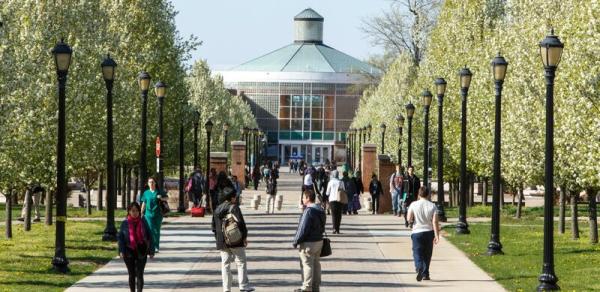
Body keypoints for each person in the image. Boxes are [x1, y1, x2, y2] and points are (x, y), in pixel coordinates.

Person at [212, 187, 255, 292]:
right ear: (231, 197)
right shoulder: (234, 208)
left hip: (222, 241)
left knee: (225, 264)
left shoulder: (217, 209)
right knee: (240, 262)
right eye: (234, 196)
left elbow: (213, 227)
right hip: (236, 240)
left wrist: (219, 239)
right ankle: (243, 286)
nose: (236, 198)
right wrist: (244, 237)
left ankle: (226, 288)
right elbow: (241, 223)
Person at [293, 190, 326, 292]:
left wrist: (296, 241)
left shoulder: (308, 211)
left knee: (307, 264)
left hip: (308, 243)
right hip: (319, 241)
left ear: (308, 198)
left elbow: (303, 228)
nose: (302, 199)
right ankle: (316, 287)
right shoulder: (320, 209)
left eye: (303, 197)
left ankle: (307, 286)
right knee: (316, 264)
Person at [118, 202, 154, 292]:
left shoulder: (143, 222)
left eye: (137, 211)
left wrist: (151, 251)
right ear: (129, 211)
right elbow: (121, 238)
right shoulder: (124, 223)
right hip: (128, 251)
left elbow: (150, 236)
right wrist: (121, 251)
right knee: (131, 274)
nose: (135, 213)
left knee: (140, 274)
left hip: (142, 251)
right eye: (133, 211)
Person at [407, 186, 440, 281]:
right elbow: (435, 222)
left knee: (417, 252)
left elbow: (409, 218)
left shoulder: (413, 204)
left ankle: (419, 267)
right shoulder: (432, 206)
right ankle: (425, 273)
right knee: (427, 254)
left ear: (418, 194)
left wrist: (411, 220)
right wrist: (437, 235)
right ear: (428, 194)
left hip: (417, 232)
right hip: (429, 232)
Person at [139, 177, 167, 253]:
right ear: (148, 184)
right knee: (150, 230)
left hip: (158, 214)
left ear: (155, 183)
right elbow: (144, 203)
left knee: (156, 230)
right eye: (149, 182)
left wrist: (161, 198)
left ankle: (156, 246)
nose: (151, 184)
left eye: (152, 182)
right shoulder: (146, 193)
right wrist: (141, 212)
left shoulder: (159, 191)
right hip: (148, 215)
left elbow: (166, 198)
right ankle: (151, 247)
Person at [325, 170, 345, 234]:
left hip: (332, 200)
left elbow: (327, 192)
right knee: (339, 215)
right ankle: (338, 229)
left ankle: (334, 229)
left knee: (333, 215)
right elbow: (343, 190)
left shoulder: (330, 182)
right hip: (339, 200)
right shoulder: (341, 182)